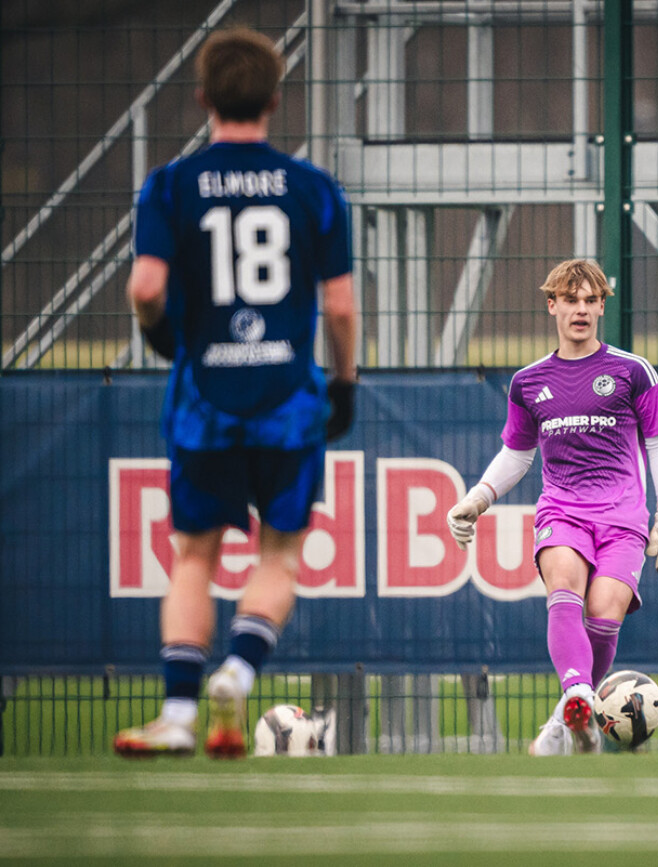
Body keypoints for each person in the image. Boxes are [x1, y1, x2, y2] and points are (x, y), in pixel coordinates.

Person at [113, 27, 358, 759]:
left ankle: (178, 714)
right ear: (275, 100)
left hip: (204, 402)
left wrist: (165, 335)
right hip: (288, 403)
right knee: (278, 556)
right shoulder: (313, 188)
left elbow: (145, 288)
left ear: (204, 99)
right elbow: (340, 307)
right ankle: (239, 670)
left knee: (194, 555)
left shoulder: (170, 185)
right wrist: (345, 382)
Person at [446, 259, 658, 755]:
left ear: (602, 307)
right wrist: (478, 497)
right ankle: (578, 693)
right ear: (551, 305)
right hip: (562, 511)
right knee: (564, 587)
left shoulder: (632, 371)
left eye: (591, 300)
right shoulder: (528, 382)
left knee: (604, 612)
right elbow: (517, 453)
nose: (581, 310)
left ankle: (565, 722)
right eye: (571, 300)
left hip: (623, 517)